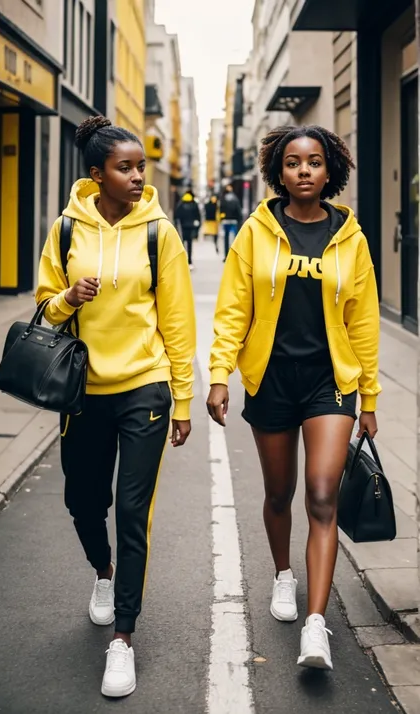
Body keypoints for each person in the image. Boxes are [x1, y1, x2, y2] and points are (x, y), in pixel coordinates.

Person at [206, 125, 380, 672]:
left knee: (322, 495)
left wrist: (368, 397)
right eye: (292, 162)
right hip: (271, 379)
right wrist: (218, 374)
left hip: (330, 383)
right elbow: (234, 309)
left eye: (313, 162)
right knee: (278, 493)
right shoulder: (257, 232)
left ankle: (316, 625)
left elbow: (365, 321)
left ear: (331, 172)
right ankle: (284, 574)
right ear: (277, 172)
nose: (303, 171)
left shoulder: (350, 237)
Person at [36, 116, 196, 698]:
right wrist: (66, 298)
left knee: (133, 511)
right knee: (83, 498)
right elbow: (44, 306)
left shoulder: (160, 233)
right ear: (96, 173)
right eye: (125, 168)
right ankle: (102, 573)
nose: (137, 177)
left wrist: (183, 399)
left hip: (145, 386)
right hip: (84, 389)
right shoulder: (65, 230)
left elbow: (178, 323)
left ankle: (123, 640)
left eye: (140, 167)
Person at [175, 189, 201, 269]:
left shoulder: (181, 203)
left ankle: (182, 260)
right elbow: (198, 216)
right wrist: (197, 227)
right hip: (191, 226)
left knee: (182, 243)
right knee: (190, 244)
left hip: (183, 226)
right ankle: (189, 261)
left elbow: (177, 215)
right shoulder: (194, 203)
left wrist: (176, 224)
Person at [219, 184, 242, 259]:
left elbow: (221, 209)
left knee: (226, 238)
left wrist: (222, 218)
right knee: (234, 239)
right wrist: (239, 219)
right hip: (234, 221)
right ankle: (233, 256)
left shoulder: (223, 198)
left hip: (226, 221)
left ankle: (226, 256)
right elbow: (238, 210)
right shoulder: (235, 198)